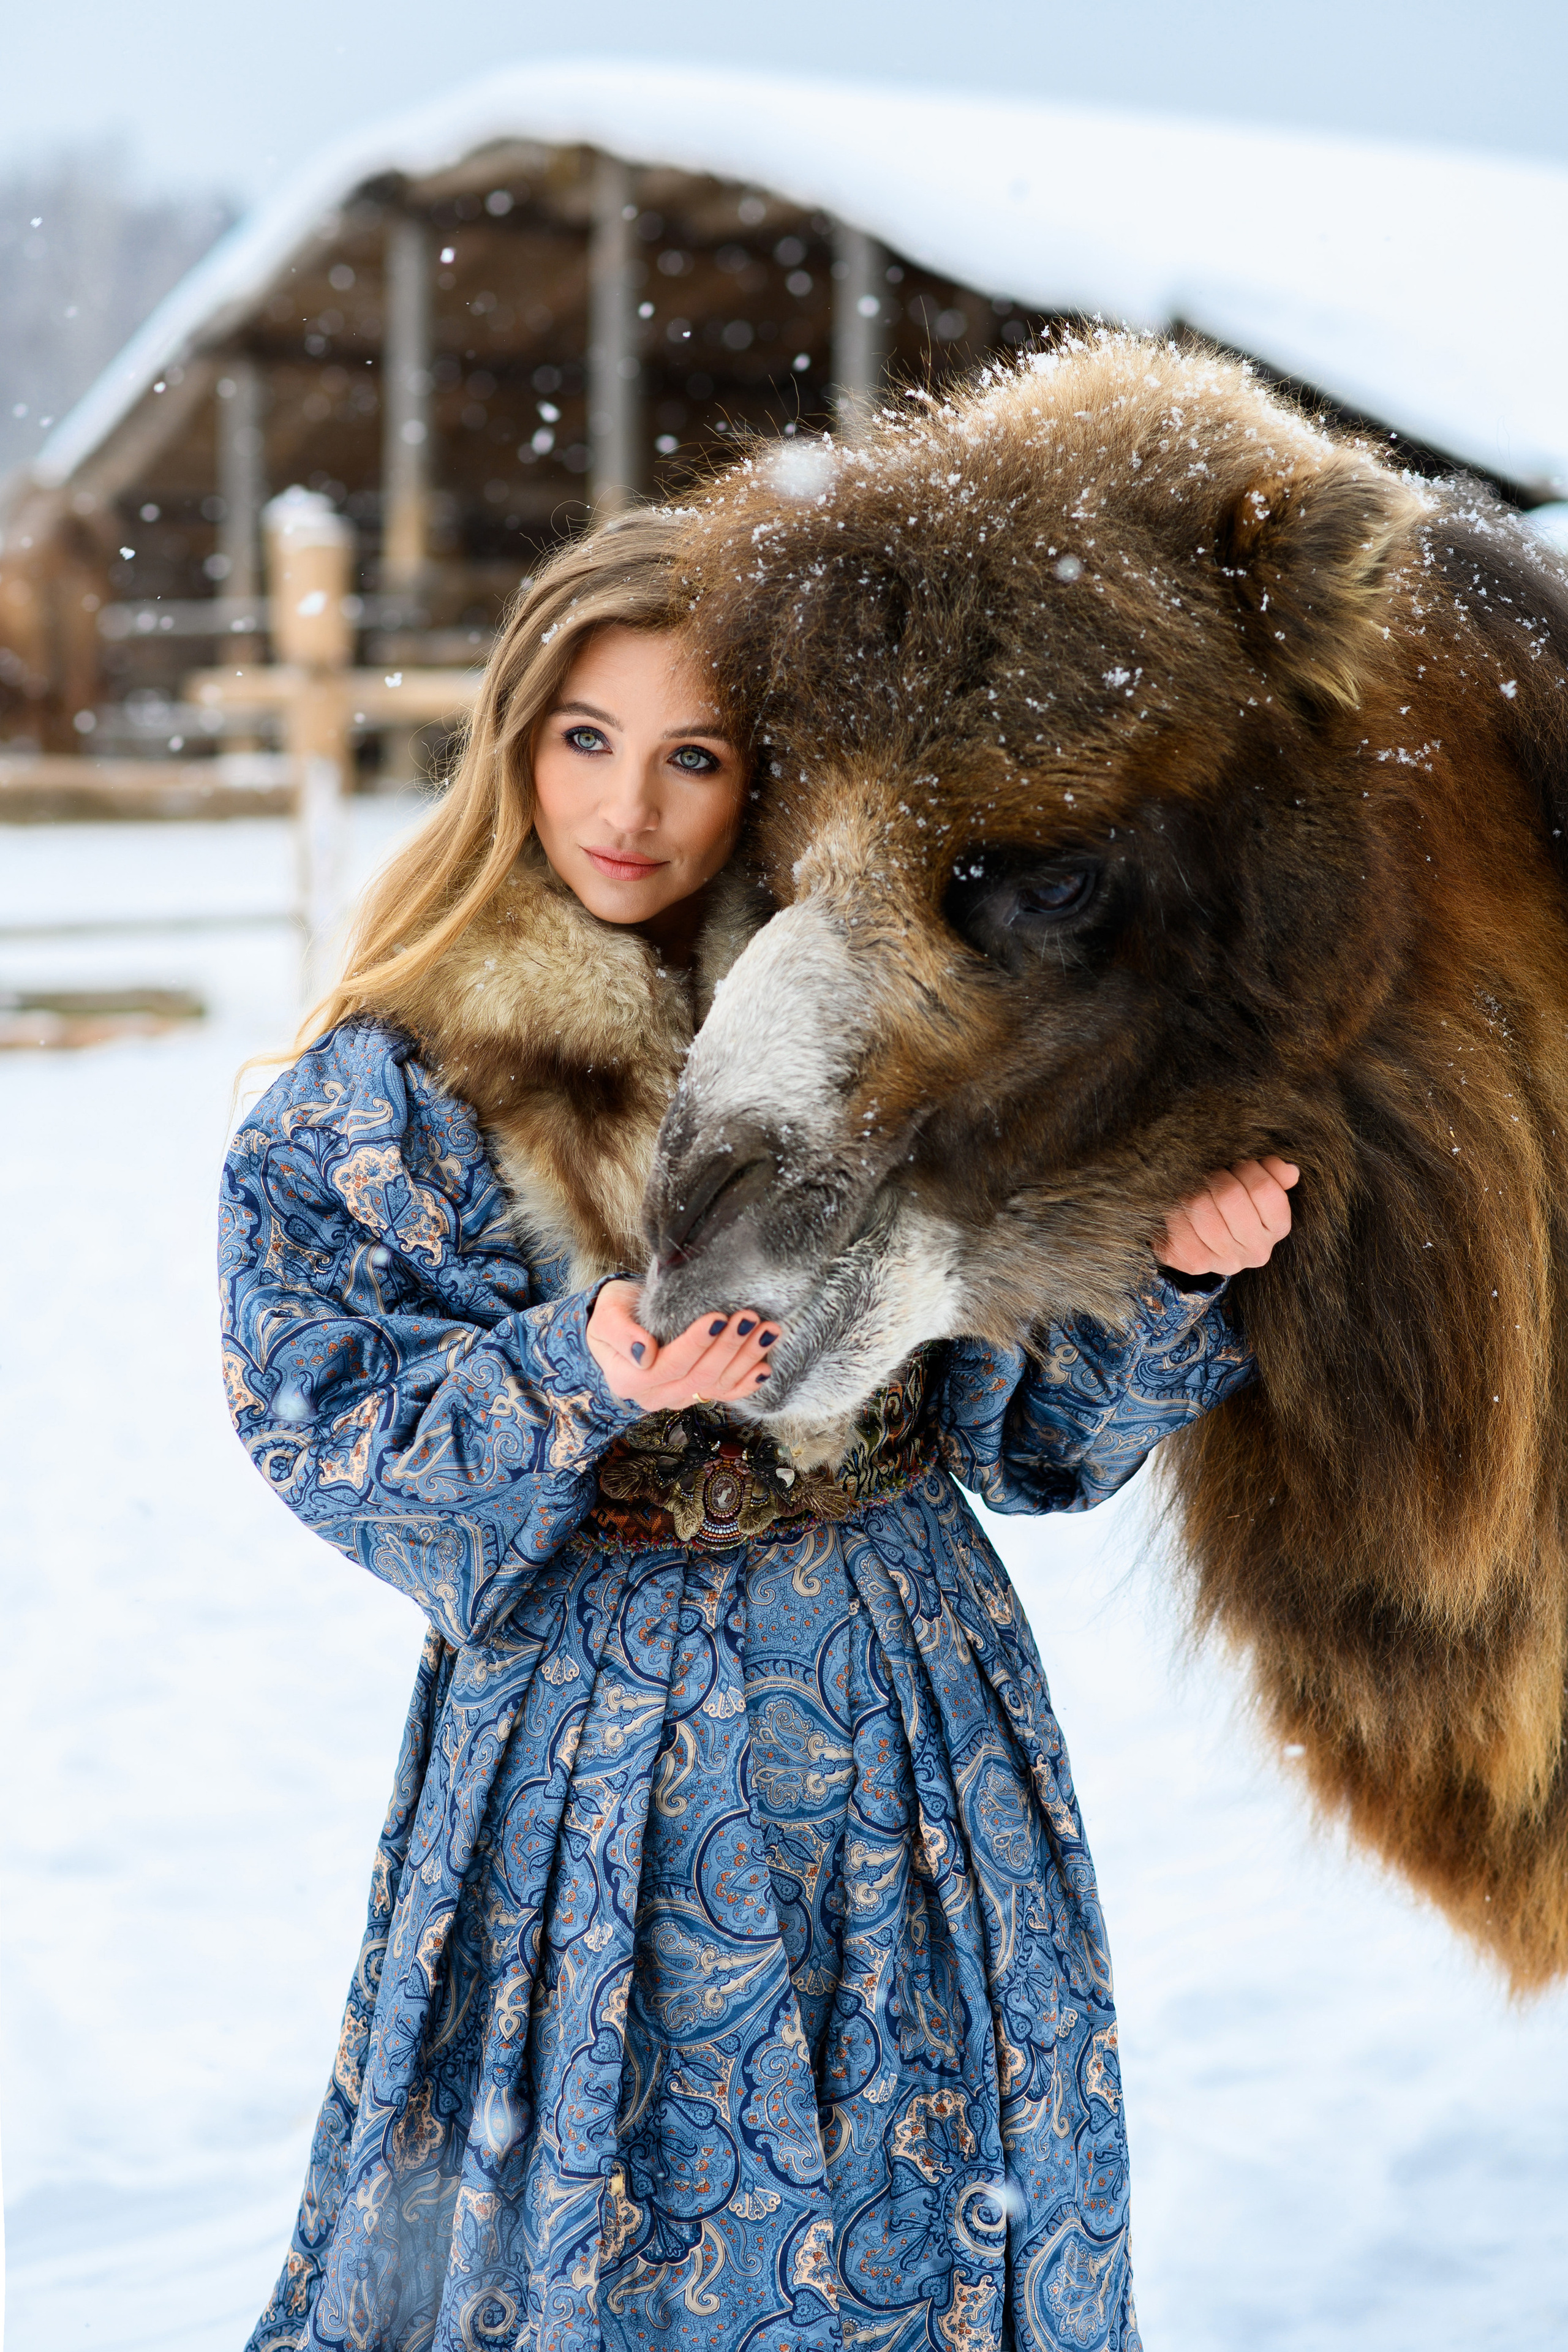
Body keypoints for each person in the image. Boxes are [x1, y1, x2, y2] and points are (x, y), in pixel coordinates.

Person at [221, 510, 1297, 2352]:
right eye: (586, 738)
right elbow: (321, 1421)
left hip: (905, 1705)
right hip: (589, 1756)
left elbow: (1025, 1432)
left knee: (922, 2182)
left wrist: (1170, 1280)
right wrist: (573, 1377)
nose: (628, 807)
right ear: (514, 740)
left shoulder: (889, 1042)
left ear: (768, 779)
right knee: (614, 2212)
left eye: (695, 756)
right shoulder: (387, 1088)